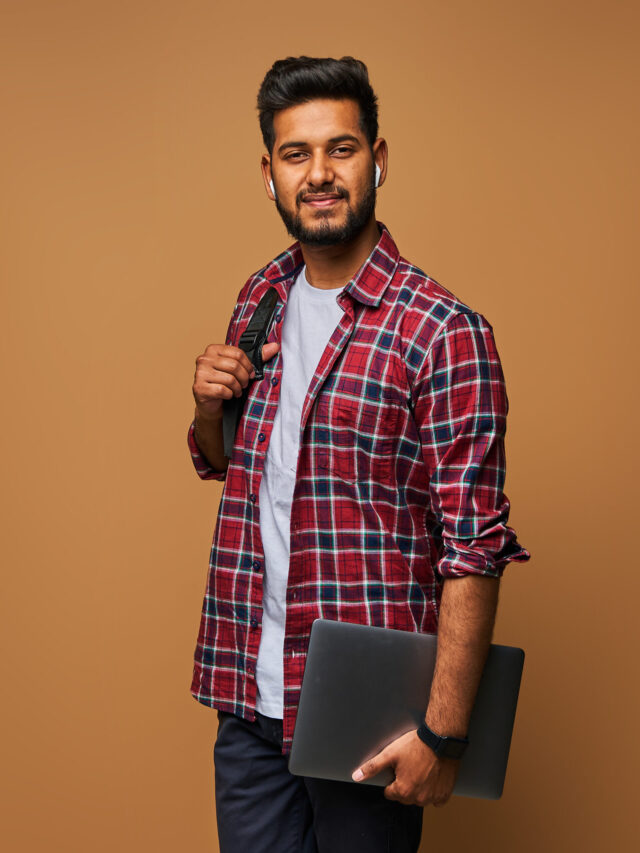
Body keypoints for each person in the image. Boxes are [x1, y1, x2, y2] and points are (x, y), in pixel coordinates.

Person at [188, 56, 529, 853]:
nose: (319, 174)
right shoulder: (260, 295)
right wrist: (208, 408)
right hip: (248, 699)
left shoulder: (442, 331)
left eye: (340, 149)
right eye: (295, 154)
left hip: (364, 718)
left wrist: (442, 735)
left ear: (378, 158)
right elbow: (229, 462)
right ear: (268, 173)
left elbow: (473, 550)